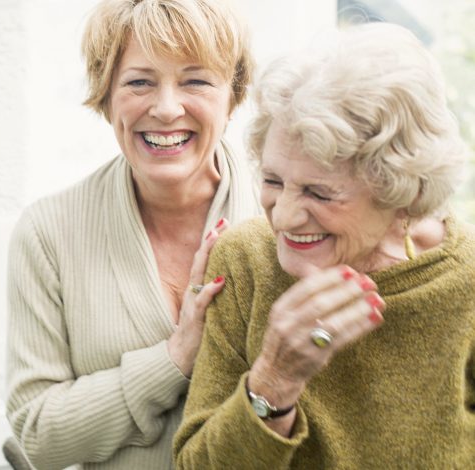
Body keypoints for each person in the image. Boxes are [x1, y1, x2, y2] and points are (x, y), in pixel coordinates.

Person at [173, 23, 475, 469]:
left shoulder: (464, 282)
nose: (284, 216)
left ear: (401, 193)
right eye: (273, 181)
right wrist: (272, 383)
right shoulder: (245, 262)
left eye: (319, 193)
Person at [5, 0, 258, 468]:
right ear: (106, 96)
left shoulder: (283, 211)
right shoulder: (50, 233)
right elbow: (37, 435)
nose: (165, 109)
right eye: (139, 82)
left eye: (196, 80)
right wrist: (175, 358)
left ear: (233, 95)